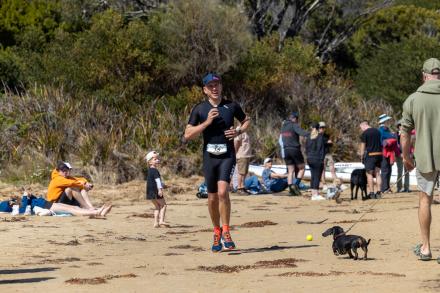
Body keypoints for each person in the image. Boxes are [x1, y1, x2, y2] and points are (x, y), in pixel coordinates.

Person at [184, 73, 250, 252]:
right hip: (209, 158)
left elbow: (246, 121)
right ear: (205, 90)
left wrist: (238, 131)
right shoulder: (200, 109)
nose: (214, 88)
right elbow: (187, 135)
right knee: (212, 196)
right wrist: (207, 122)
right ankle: (216, 231)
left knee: (223, 192)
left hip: (227, 156)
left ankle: (226, 230)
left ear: (221, 87)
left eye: (217, 85)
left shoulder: (231, 105)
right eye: (210, 86)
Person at [401, 58, 440, 261]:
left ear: (425, 75)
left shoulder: (413, 99)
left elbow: (405, 133)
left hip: (425, 158)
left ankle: (425, 248)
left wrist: (406, 157)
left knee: (425, 200)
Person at [279, 112, 308, 196]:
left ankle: (290, 188)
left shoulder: (283, 127)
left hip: (286, 150)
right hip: (294, 149)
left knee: (290, 171)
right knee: (302, 168)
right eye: (297, 120)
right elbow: (301, 132)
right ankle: (296, 185)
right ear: (295, 118)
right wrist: (312, 134)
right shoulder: (294, 124)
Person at [359, 120, 382, 199]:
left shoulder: (365, 133)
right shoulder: (377, 131)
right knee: (378, 173)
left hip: (370, 155)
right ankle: (379, 193)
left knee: (369, 174)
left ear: (364, 125)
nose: (361, 129)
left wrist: (361, 156)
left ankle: (372, 193)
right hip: (379, 154)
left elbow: (363, 146)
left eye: (361, 127)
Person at [146, 151, 168, 228]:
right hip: (156, 191)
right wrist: (160, 189)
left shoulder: (149, 171)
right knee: (164, 205)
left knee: (157, 207)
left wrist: (163, 185)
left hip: (149, 192)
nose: (157, 160)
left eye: (157, 159)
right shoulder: (155, 170)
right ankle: (161, 220)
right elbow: (157, 181)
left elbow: (153, 181)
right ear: (150, 162)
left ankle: (156, 223)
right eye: (155, 159)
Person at [305, 124, 326, 201]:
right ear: (318, 129)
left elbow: (306, 149)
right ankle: (315, 194)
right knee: (317, 176)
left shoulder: (309, 137)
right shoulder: (320, 136)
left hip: (309, 158)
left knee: (313, 176)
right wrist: (322, 159)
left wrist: (308, 156)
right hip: (317, 158)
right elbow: (321, 149)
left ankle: (313, 194)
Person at [378, 114, 397, 193]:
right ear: (384, 122)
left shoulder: (387, 130)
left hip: (389, 152)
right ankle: (384, 188)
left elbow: (393, 137)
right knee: (385, 170)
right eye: (387, 121)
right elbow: (382, 140)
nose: (389, 122)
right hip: (384, 152)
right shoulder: (381, 130)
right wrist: (392, 137)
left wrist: (392, 136)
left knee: (389, 170)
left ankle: (387, 187)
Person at [234, 125, 253, 195]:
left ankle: (243, 187)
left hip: (247, 155)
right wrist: (235, 152)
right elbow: (236, 141)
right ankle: (239, 188)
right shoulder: (239, 129)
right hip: (241, 155)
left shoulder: (245, 130)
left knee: (244, 172)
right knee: (241, 173)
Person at [318, 121, 337, 189]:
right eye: (321, 127)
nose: (322, 129)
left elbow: (330, 144)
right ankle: (323, 183)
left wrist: (330, 143)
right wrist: (327, 142)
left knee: (332, 167)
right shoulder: (317, 135)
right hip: (321, 154)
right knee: (323, 169)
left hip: (328, 153)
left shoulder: (327, 135)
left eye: (323, 127)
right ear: (318, 128)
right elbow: (319, 145)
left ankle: (335, 181)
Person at [395, 120, 411, 193]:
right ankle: (399, 187)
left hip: (407, 155)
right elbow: (395, 146)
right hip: (399, 155)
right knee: (400, 172)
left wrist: (409, 154)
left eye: (403, 125)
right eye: (400, 125)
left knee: (407, 171)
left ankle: (407, 187)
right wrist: (399, 153)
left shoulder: (408, 134)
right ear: (398, 127)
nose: (402, 127)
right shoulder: (395, 135)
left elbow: (409, 145)